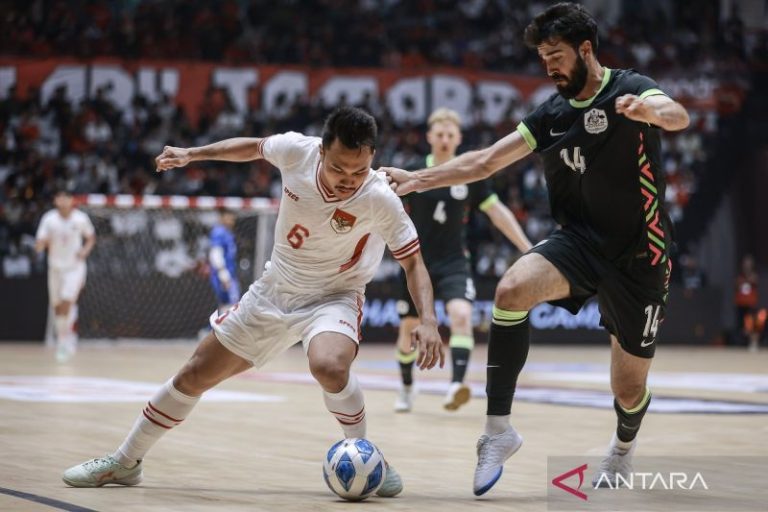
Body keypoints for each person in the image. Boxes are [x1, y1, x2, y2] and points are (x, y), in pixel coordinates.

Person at [384, 2, 690, 495]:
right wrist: (417, 179)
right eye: (542, 56)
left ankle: (622, 449)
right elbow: (484, 162)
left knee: (628, 389)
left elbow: (678, 115)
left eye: (556, 55)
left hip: (640, 256)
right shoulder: (549, 115)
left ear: (584, 50)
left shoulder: (631, 88)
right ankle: (497, 432)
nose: (548, 66)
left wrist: (652, 110)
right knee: (510, 289)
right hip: (579, 242)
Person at [62, 106, 444, 496]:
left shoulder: (380, 197)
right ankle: (124, 463)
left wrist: (428, 319)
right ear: (322, 151)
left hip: (335, 296)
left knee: (329, 366)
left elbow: (413, 262)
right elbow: (251, 148)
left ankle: (368, 457)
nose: (348, 181)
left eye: (358, 171)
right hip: (273, 290)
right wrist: (193, 154)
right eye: (338, 169)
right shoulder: (296, 150)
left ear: (373, 159)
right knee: (194, 375)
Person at [393, 108, 532, 413]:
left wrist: (528, 248)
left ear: (458, 139)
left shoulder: (469, 173)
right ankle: (405, 387)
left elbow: (497, 212)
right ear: (429, 137)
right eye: (439, 135)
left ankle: (456, 384)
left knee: (461, 315)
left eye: (450, 135)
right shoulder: (414, 170)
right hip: (417, 263)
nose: (444, 140)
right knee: (408, 329)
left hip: (454, 260)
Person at [35, 188, 96, 362]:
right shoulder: (49, 219)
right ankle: (64, 335)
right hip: (55, 268)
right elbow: (39, 244)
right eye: (59, 197)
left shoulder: (80, 218)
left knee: (67, 300)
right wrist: (40, 245)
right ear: (55, 200)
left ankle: (63, 340)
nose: (63, 200)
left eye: (66, 197)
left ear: (72, 200)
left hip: (74, 267)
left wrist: (84, 251)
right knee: (57, 307)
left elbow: (91, 237)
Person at [208, 208, 240, 314]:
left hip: (230, 273)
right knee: (230, 305)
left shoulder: (228, 233)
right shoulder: (218, 232)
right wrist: (223, 275)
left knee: (230, 305)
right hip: (222, 275)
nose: (231, 220)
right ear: (221, 217)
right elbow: (215, 254)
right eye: (228, 216)